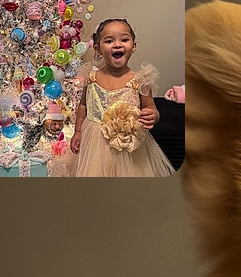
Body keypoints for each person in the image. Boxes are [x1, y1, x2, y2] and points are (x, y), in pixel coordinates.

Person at [70, 17, 175, 177]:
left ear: (133, 47)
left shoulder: (140, 79)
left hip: (129, 146)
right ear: (98, 49)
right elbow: (83, 106)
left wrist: (153, 114)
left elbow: (150, 106)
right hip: (94, 143)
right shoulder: (91, 77)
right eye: (109, 41)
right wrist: (78, 131)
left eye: (124, 39)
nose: (117, 44)